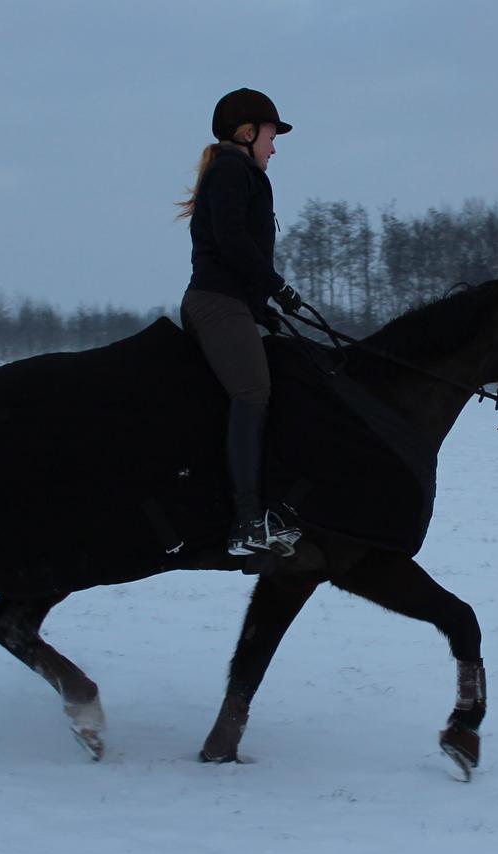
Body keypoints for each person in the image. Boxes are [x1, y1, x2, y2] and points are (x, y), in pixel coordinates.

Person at [177, 88, 304, 556]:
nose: (275, 147)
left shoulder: (237, 171)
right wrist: (276, 286)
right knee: (252, 392)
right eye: (271, 136)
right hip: (215, 303)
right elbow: (229, 239)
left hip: (230, 302)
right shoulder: (233, 170)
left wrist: (260, 305)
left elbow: (229, 248)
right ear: (248, 133)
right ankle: (247, 523)